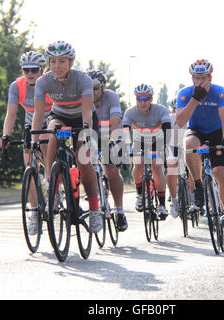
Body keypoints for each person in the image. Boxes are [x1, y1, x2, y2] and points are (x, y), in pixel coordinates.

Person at [31, 40, 103, 233]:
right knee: (52, 132)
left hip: (83, 118)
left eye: (62, 61)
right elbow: (39, 114)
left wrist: (86, 133)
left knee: (83, 159)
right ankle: (52, 189)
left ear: (71, 62)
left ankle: (95, 209)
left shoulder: (83, 79)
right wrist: (34, 141)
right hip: (60, 115)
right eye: (52, 61)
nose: (57, 66)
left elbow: (88, 110)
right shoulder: (43, 81)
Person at [176, 59, 224, 242]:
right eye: (196, 78)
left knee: (221, 174)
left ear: (210, 77)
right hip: (197, 131)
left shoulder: (219, 92)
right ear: (192, 78)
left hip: (218, 132)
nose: (200, 81)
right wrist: (195, 98)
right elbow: (180, 122)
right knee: (189, 144)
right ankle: (199, 185)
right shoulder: (185, 94)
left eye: (203, 78)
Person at [0, 51, 52, 235]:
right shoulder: (17, 86)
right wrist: (6, 135)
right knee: (29, 169)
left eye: (34, 70)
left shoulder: (50, 82)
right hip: (30, 125)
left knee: (47, 150)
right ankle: (35, 213)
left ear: (42, 70)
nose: (30, 73)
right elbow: (11, 114)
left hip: (51, 122)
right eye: (26, 69)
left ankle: (54, 184)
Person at [123, 84, 171, 220]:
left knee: (157, 167)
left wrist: (166, 147)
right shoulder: (130, 112)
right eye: (139, 98)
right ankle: (139, 195)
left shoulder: (161, 110)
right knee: (137, 164)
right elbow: (126, 132)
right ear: (136, 99)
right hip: (139, 141)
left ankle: (161, 205)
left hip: (158, 140)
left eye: (146, 98)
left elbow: (167, 130)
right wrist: (127, 150)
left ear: (151, 99)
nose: (142, 102)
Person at [88, 69, 128, 232]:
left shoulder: (111, 96)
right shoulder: (82, 98)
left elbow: (116, 121)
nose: (92, 91)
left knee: (111, 170)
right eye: (88, 88)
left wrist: (114, 140)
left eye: (95, 88)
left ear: (103, 88)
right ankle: (96, 199)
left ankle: (119, 211)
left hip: (109, 134)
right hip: (90, 135)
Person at [167, 97, 193, 218]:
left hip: (186, 148)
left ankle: (191, 197)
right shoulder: (169, 118)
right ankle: (174, 200)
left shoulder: (190, 118)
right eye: (174, 109)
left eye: (179, 109)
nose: (176, 111)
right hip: (172, 147)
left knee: (193, 171)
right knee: (171, 169)